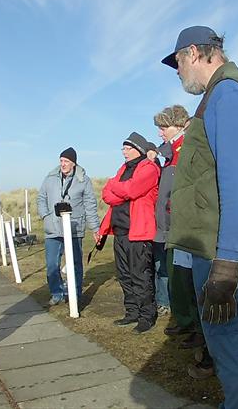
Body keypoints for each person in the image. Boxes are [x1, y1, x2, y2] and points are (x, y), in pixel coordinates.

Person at [162, 26, 238, 408]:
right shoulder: (218, 96)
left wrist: (226, 263)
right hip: (214, 251)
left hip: (224, 254)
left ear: (194, 53)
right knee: (226, 344)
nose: (177, 72)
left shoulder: (228, 94)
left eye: (177, 62)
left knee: (231, 343)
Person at [152, 105, 204, 350]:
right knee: (178, 277)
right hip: (173, 225)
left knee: (189, 278)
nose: (160, 133)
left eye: (164, 128)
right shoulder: (170, 154)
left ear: (179, 125)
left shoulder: (185, 148)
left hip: (185, 225)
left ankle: (197, 327)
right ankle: (185, 320)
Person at [99, 132, 160, 333]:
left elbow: (131, 190)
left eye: (127, 148)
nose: (124, 152)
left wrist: (115, 186)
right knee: (124, 275)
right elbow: (107, 195)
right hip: (121, 231)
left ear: (138, 149)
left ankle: (146, 316)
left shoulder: (149, 169)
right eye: (123, 148)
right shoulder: (123, 169)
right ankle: (132, 312)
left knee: (140, 276)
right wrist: (119, 190)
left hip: (139, 232)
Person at [37, 147, 101, 306]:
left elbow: (90, 205)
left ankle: (76, 294)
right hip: (52, 228)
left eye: (66, 161)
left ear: (73, 163)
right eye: (61, 161)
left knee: (75, 264)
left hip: (74, 228)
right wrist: (46, 216)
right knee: (52, 264)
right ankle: (57, 293)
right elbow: (41, 198)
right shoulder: (50, 177)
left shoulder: (83, 180)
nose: (63, 164)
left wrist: (95, 228)